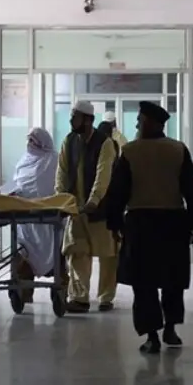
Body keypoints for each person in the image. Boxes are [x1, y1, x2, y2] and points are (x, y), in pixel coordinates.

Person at [106, 101, 193, 354]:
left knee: (144, 283)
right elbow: (192, 191)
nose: (137, 124)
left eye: (140, 120)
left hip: (141, 225)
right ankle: (170, 328)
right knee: (173, 280)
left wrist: (114, 223)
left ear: (152, 122)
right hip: (174, 223)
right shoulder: (178, 150)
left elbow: (118, 192)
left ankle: (152, 336)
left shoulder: (129, 152)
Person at [55, 101, 118, 313]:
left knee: (108, 254)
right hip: (75, 209)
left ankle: (106, 297)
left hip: (99, 208)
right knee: (77, 252)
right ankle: (80, 298)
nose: (71, 120)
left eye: (75, 116)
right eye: (72, 116)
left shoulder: (105, 143)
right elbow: (61, 172)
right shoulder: (69, 141)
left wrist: (94, 200)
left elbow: (103, 174)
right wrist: (61, 199)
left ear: (88, 120)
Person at [11, 127, 66, 303]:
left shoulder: (53, 160)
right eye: (28, 140)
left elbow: (52, 187)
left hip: (48, 221)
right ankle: (25, 293)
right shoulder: (23, 162)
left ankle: (60, 290)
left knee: (58, 258)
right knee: (23, 255)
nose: (29, 145)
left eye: (33, 141)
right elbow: (18, 183)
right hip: (26, 221)